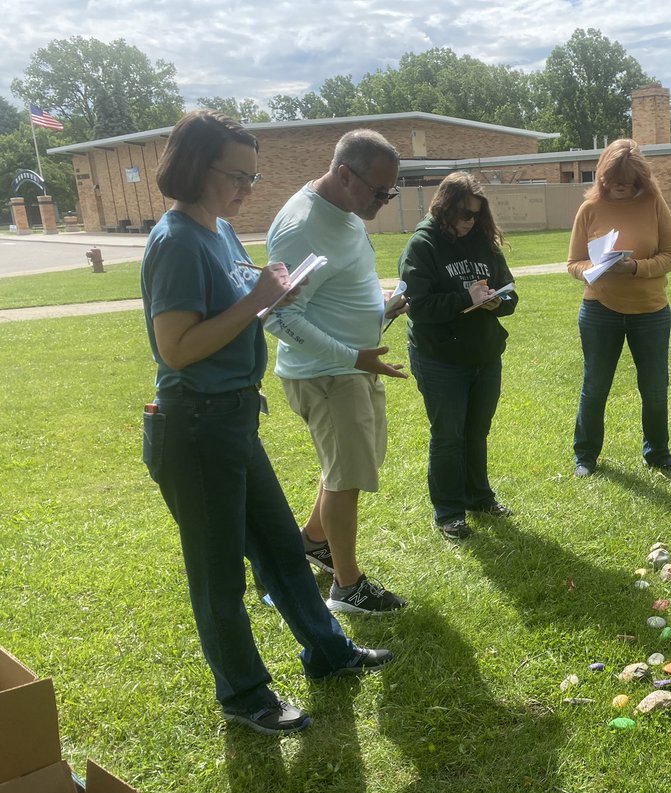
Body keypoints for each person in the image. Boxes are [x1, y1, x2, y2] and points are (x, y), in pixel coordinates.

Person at [140, 110, 393, 736]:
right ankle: (245, 694)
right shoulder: (175, 241)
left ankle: (329, 652)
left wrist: (270, 294)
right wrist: (257, 301)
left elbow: (241, 307)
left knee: (282, 546)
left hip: (232, 420)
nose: (247, 192)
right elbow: (175, 347)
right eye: (237, 176)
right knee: (219, 571)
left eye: (253, 179)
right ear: (197, 165)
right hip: (193, 428)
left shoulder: (220, 231)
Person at [265, 129, 409, 615]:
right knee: (346, 476)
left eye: (392, 192)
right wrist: (353, 356)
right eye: (378, 191)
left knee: (348, 465)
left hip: (352, 366)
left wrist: (382, 310)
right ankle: (347, 587)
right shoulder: (301, 225)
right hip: (325, 374)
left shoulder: (345, 211)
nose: (385, 202)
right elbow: (277, 316)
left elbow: (331, 291)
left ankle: (311, 540)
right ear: (345, 174)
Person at [399, 172, 518, 539]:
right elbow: (417, 306)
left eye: (476, 215)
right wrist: (466, 299)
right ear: (445, 206)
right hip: (440, 358)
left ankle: (479, 497)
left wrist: (499, 301)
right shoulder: (423, 245)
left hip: (484, 354)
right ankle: (449, 512)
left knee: (476, 432)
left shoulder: (483, 243)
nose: (470, 221)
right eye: (464, 213)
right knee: (448, 436)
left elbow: (510, 292)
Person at [566, 138, 671, 477]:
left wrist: (635, 268)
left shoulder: (654, 203)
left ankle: (657, 454)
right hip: (600, 310)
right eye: (613, 179)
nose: (620, 186)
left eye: (628, 181)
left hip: (651, 311)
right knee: (596, 384)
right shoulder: (589, 209)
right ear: (602, 174)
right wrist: (590, 270)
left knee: (655, 386)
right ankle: (585, 456)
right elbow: (573, 262)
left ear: (639, 179)